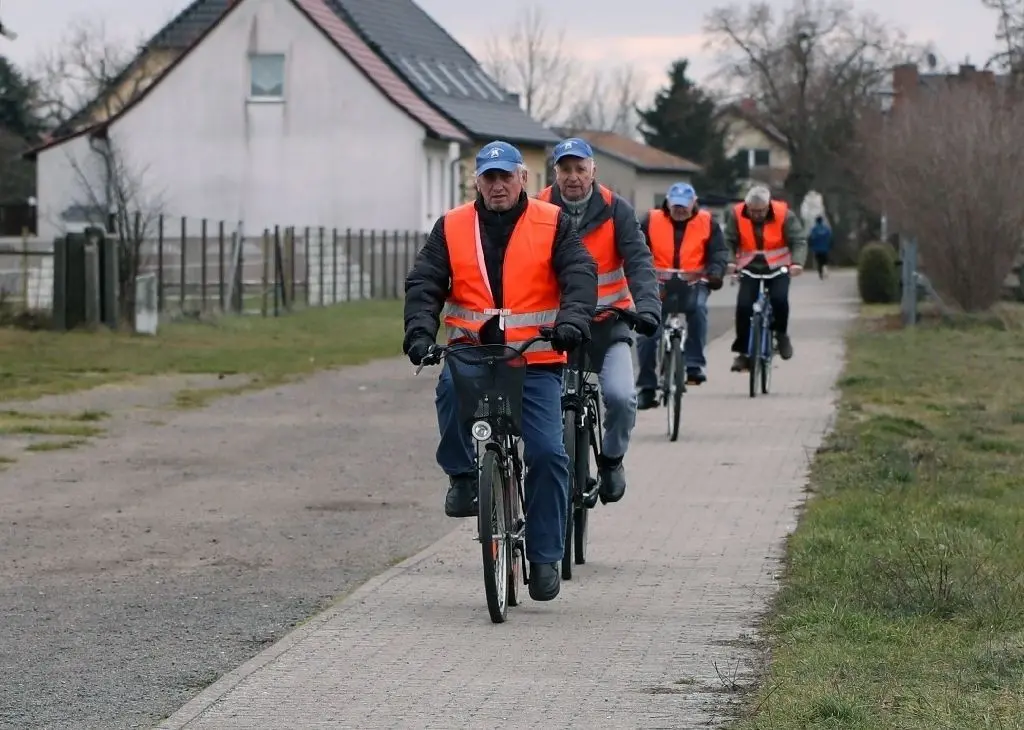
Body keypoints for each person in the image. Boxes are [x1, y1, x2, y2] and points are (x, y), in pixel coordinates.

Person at [403, 140, 597, 602]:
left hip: (535, 360)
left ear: (523, 179)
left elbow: (579, 274)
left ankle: (546, 554)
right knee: (447, 391)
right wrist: (418, 333)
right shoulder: (451, 226)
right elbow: (426, 281)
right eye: (488, 177)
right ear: (478, 182)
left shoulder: (553, 223)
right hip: (473, 354)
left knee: (549, 454)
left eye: (505, 176)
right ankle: (463, 478)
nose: (497, 186)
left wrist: (571, 322)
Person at [537, 137, 660, 504]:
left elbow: (639, 262)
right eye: (565, 169)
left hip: (610, 321)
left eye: (580, 169)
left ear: (593, 171)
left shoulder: (616, 209)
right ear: (554, 173)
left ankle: (611, 460)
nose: (572, 177)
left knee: (621, 397)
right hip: (555, 326)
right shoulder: (537, 208)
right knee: (543, 408)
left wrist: (648, 306)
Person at [635, 183, 728, 407]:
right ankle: (647, 387)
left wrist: (715, 273)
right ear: (668, 202)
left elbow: (718, 252)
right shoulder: (651, 219)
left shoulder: (707, 222)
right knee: (648, 332)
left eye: (684, 206)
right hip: (658, 284)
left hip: (694, 281)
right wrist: (638, 275)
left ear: (693, 203)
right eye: (675, 205)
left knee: (698, 310)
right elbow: (636, 249)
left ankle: (694, 364)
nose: (679, 210)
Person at [724, 185, 807, 372]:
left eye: (761, 211)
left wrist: (797, 263)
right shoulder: (736, 215)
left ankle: (781, 334)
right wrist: (729, 262)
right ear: (747, 207)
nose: (757, 215)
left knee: (779, 299)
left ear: (768, 206)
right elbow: (728, 240)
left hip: (778, 266)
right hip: (749, 266)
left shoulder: (785, 215)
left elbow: (798, 240)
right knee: (744, 305)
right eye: (753, 211)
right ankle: (743, 353)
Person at [808, 215, 833, 279]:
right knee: (825, 261)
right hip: (825, 248)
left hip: (817, 249)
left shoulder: (814, 229)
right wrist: (830, 246)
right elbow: (830, 238)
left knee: (819, 261)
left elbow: (811, 238)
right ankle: (825, 269)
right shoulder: (826, 229)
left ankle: (820, 273)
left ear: (816, 221)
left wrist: (810, 246)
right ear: (822, 221)